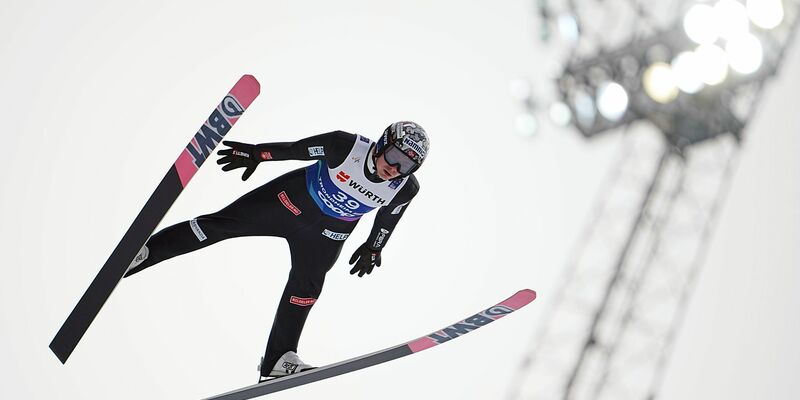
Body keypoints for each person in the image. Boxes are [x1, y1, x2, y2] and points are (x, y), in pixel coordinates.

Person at [123, 121, 430, 381]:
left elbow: (389, 218)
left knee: (306, 290)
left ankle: (278, 360)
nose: (395, 168)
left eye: (407, 165)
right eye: (394, 156)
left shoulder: (405, 188)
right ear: (381, 144)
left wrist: (373, 248)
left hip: (326, 235)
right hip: (285, 203)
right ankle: (145, 253)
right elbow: (296, 150)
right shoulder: (344, 147)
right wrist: (258, 154)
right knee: (218, 226)